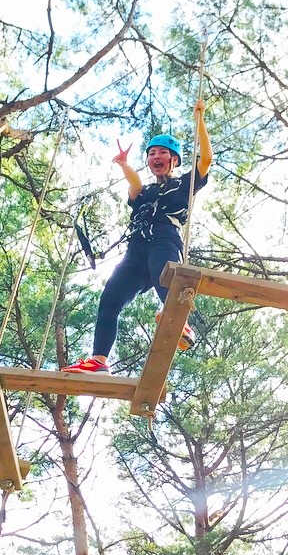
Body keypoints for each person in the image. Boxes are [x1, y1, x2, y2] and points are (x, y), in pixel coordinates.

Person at [63, 99, 213, 374]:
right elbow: (135, 185)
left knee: (164, 273)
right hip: (136, 249)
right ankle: (99, 361)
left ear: (174, 160)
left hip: (164, 240)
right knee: (110, 299)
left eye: (163, 153)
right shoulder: (144, 194)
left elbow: (206, 160)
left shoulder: (184, 184)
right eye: (152, 153)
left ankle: (181, 324)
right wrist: (123, 164)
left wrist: (200, 120)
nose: (156, 157)